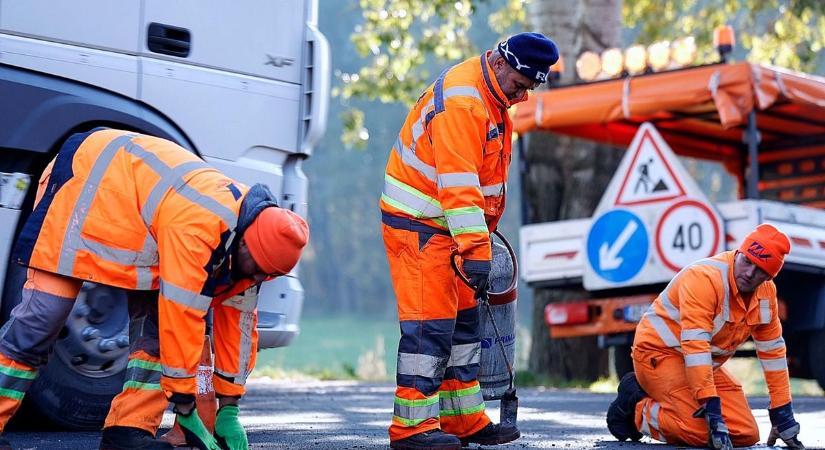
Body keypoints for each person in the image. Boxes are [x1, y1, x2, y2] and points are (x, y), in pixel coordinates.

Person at [0, 128, 309, 450]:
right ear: (246, 245)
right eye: (257, 271)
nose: (257, 279)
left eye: (265, 276)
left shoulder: (251, 244)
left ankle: (129, 431)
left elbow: (239, 327)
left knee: (155, 332)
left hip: (136, 217)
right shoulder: (201, 227)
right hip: (85, 181)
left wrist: (229, 407)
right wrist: (185, 405)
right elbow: (181, 315)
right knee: (41, 319)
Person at [379, 32, 558, 450]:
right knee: (429, 329)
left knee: (463, 327)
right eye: (520, 85)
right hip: (421, 228)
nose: (522, 97)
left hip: (452, 231)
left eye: (529, 89)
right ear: (499, 62)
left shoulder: (492, 96)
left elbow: (478, 186)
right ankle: (411, 429)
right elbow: (458, 187)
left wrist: (478, 243)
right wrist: (478, 251)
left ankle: (462, 419)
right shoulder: (464, 103)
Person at [606, 223, 804, 450]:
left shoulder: (766, 294)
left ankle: (670, 406)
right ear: (738, 253)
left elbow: (774, 353)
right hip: (658, 355)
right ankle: (636, 408)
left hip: (702, 366)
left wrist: (782, 412)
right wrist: (710, 404)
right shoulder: (704, 278)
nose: (750, 273)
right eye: (747, 261)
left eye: (760, 270)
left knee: (746, 433)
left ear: (769, 277)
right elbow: (695, 344)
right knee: (700, 432)